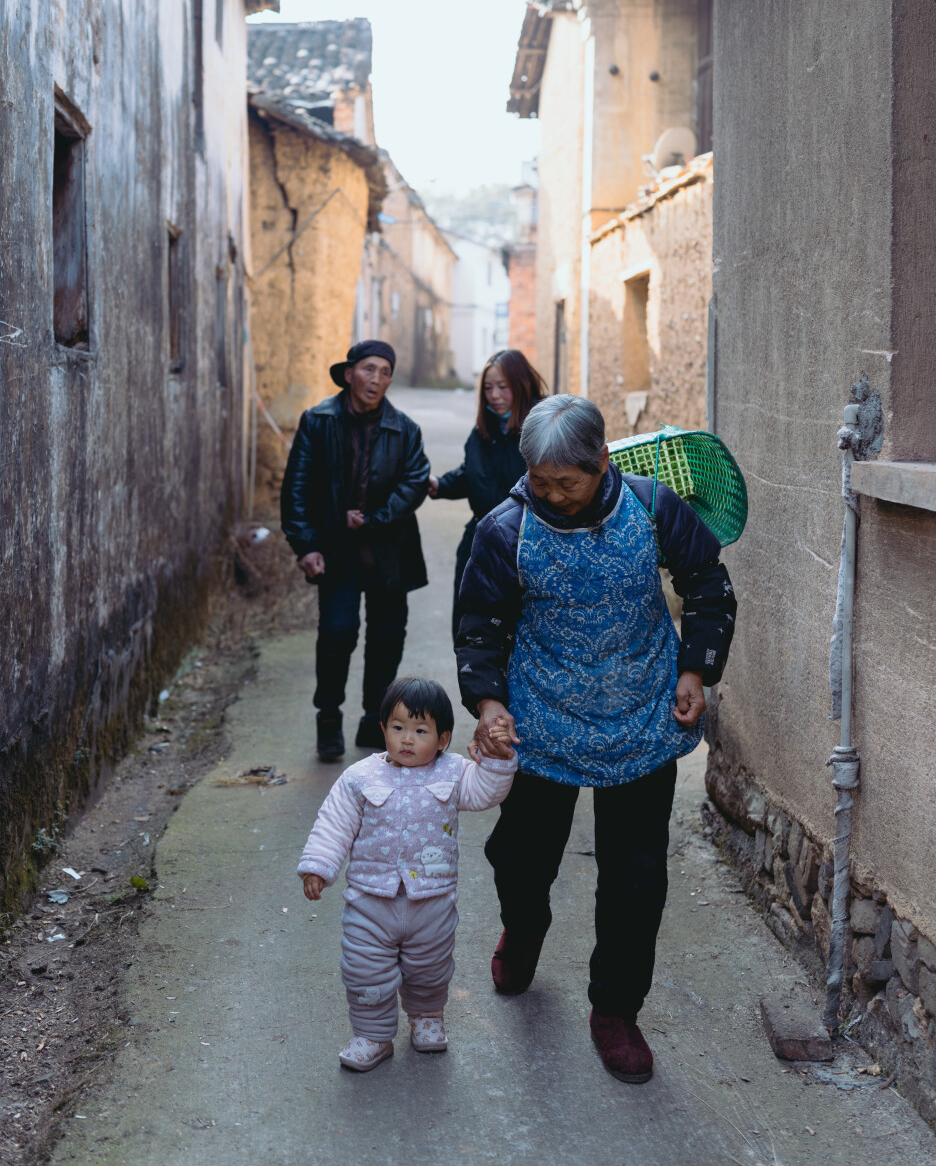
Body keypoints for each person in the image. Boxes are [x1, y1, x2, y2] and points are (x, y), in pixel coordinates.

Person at [455, 394, 737, 1085]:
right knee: (519, 857)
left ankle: (615, 1010)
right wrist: (489, 704)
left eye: (567, 483)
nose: (553, 495)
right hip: (543, 716)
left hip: (642, 713)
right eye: (541, 482)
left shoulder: (653, 506)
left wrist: (695, 668)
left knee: (635, 878)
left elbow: (708, 585)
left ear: (602, 461)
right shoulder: (504, 529)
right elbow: (480, 626)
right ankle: (524, 928)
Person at [298, 677, 517, 1071]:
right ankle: (373, 1035)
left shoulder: (453, 773)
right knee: (365, 971)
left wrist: (498, 758)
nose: (407, 740)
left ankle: (428, 1017)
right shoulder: (360, 778)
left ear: (443, 738)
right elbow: (334, 824)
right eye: (397, 728)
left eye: (420, 731)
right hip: (370, 901)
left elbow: (487, 791)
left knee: (430, 968)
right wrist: (318, 866)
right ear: (383, 729)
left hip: (432, 901)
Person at [281, 341, 430, 761]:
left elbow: (415, 482)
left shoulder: (404, 429)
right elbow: (297, 487)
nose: (377, 379)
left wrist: (375, 519)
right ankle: (328, 716)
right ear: (349, 374)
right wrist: (304, 544)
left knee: (386, 640)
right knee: (336, 635)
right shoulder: (318, 421)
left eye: (385, 371)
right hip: (337, 553)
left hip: (389, 554)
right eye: (369, 369)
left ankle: (374, 719)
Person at [427, 349, 546, 635]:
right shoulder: (483, 431)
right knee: (474, 633)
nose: (494, 395)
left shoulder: (545, 427)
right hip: (479, 544)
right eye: (488, 388)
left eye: (503, 387)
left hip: (528, 547)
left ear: (522, 384)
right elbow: (473, 475)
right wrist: (440, 485)